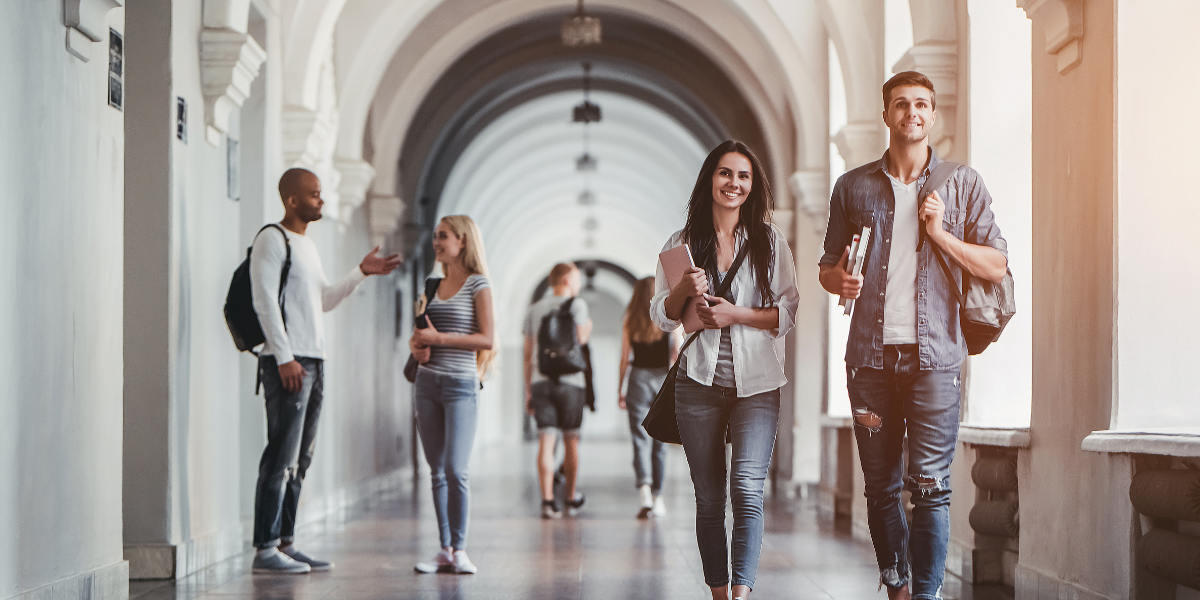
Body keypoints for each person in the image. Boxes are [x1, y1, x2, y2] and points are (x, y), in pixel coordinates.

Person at [818, 71, 1008, 600]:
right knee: (880, 488)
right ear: (886, 115)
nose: (912, 113)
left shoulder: (962, 184)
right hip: (870, 361)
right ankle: (897, 586)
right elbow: (826, 268)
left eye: (921, 104)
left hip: (937, 359)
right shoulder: (853, 187)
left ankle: (926, 595)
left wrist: (941, 235)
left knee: (930, 487)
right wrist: (842, 280)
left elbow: (995, 265)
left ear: (932, 114)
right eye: (901, 104)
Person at [650, 140, 799, 600]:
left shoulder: (770, 241)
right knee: (711, 498)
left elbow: (788, 311)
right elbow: (662, 315)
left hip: (757, 385)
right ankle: (719, 594)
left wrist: (738, 314)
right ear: (709, 180)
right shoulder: (680, 244)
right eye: (724, 173)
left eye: (743, 176)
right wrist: (684, 291)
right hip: (698, 383)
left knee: (748, 492)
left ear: (753, 187)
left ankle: (742, 595)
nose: (733, 183)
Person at [250, 168, 401, 574]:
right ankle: (265, 548)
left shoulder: (307, 247)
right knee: (280, 454)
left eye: (321, 194)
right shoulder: (272, 239)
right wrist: (283, 357)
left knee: (302, 458)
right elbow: (264, 302)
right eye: (314, 195)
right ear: (292, 200)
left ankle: (286, 541)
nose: (322, 200)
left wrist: (360, 272)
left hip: (314, 359)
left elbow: (324, 300)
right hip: (289, 361)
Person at [409, 215, 495, 575]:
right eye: (435, 236)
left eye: (443, 236)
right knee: (436, 472)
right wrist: (418, 348)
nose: (436, 242)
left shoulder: (479, 285)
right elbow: (418, 337)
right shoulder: (430, 284)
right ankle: (443, 549)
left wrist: (439, 340)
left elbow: (488, 340)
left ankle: (460, 549)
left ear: (463, 241)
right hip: (426, 384)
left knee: (456, 469)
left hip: (461, 386)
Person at [524, 262, 592, 519]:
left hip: (541, 381)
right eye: (576, 279)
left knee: (545, 441)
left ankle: (547, 502)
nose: (578, 285)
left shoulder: (534, 309)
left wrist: (528, 390)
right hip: (572, 382)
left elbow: (528, 353)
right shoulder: (577, 305)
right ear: (565, 280)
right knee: (571, 440)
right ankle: (571, 498)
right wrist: (589, 326)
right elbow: (581, 339)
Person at [617, 276, 680, 519]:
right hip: (662, 381)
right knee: (659, 442)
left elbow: (625, 359)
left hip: (638, 381)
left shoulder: (630, 319)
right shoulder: (667, 319)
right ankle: (658, 497)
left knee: (639, 439)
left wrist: (619, 389)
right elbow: (677, 351)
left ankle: (644, 492)